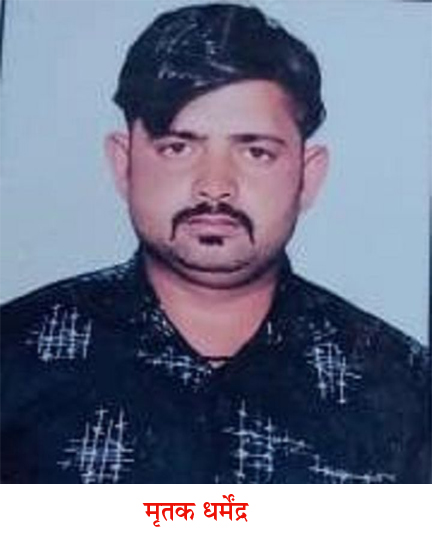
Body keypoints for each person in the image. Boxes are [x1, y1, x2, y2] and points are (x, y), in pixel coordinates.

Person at [1, 2, 429, 484]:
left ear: (308, 176)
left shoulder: (405, 385)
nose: (215, 187)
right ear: (124, 163)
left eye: (256, 152)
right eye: (178, 147)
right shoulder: (14, 357)